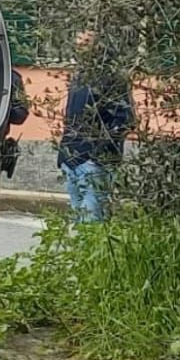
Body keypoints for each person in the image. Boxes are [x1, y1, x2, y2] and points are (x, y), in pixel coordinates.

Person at [58, 33, 133, 222]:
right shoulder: (79, 77)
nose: (80, 46)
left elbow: (124, 121)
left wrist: (97, 157)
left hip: (94, 165)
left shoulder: (113, 79)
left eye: (86, 42)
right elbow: (70, 117)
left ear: (99, 45)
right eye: (79, 41)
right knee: (78, 224)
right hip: (72, 160)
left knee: (91, 225)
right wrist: (63, 156)